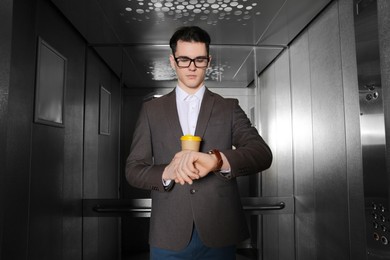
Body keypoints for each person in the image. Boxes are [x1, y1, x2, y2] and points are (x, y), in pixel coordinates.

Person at [125, 26, 272, 260]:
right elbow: (133, 170)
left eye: (199, 59)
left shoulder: (229, 107)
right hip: (168, 234)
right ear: (172, 61)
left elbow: (262, 154)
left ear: (208, 61)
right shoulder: (151, 110)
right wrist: (167, 172)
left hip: (218, 232)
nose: (192, 66)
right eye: (184, 59)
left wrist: (217, 160)